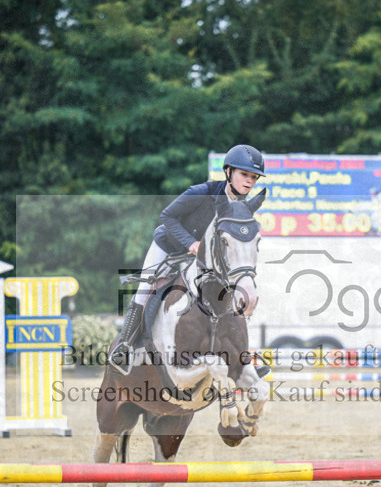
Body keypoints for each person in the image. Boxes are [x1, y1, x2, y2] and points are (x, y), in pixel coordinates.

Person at [109, 144, 266, 375]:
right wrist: (190, 243)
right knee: (145, 289)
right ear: (228, 172)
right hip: (169, 246)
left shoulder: (241, 207)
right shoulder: (201, 192)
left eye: (254, 177)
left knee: (232, 292)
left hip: (200, 260)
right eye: (244, 174)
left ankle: (241, 357)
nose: (249, 181)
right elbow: (168, 216)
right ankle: (125, 346)